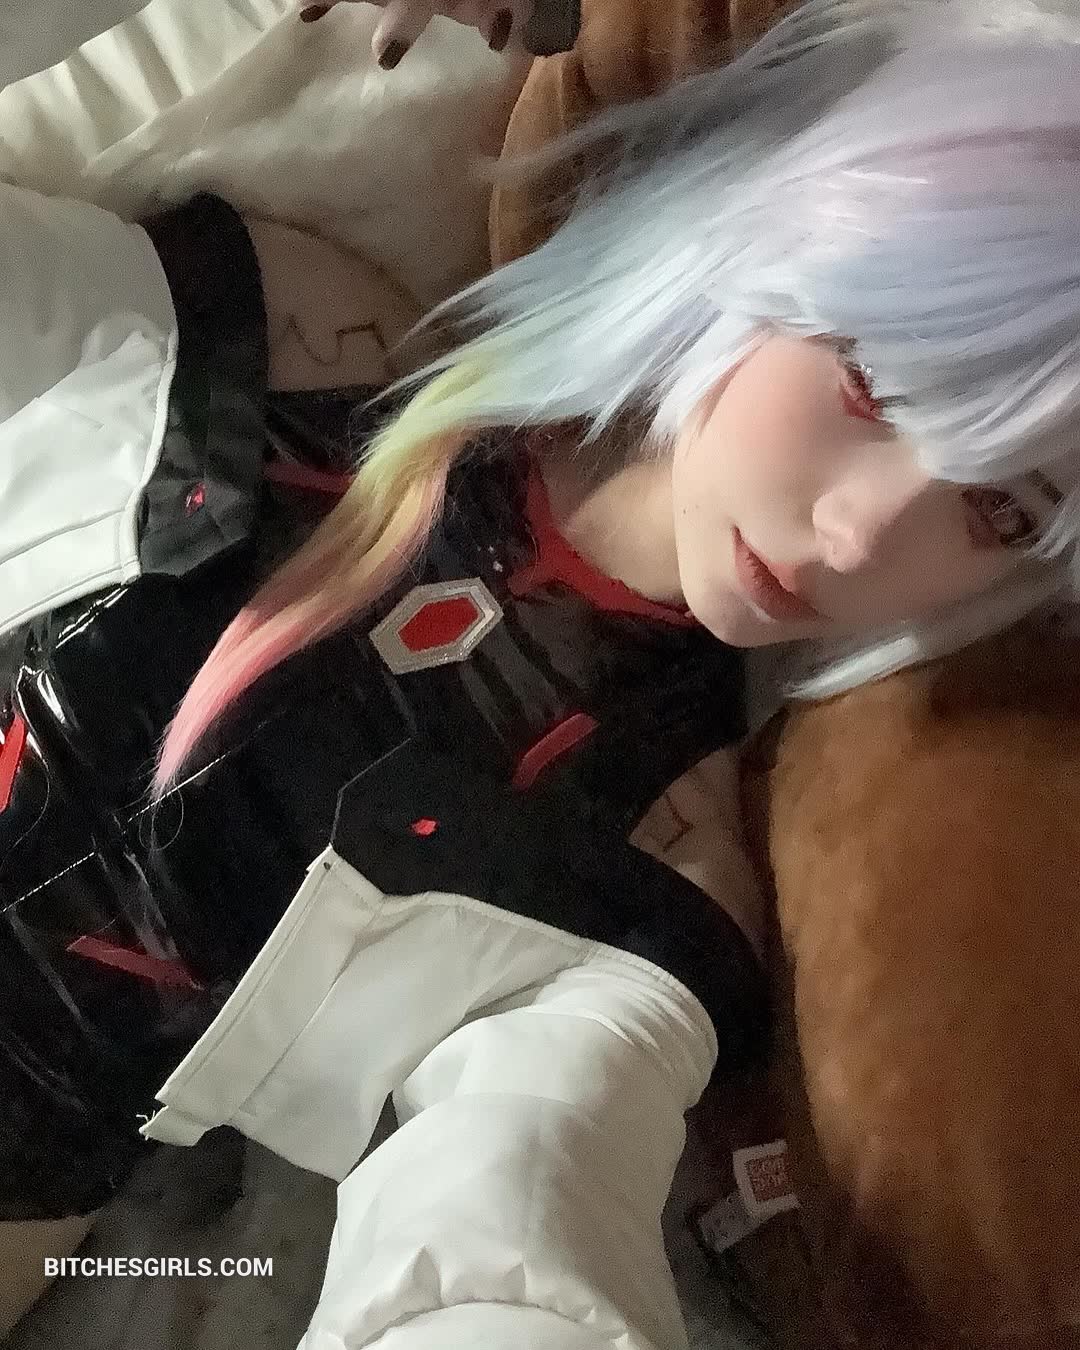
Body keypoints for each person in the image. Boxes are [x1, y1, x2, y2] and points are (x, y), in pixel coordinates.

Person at [2, 0, 1080, 1343]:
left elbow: (508, 1230)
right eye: (873, 378)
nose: (861, 532)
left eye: (1006, 511)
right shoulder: (295, 344)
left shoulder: (667, 856)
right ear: (782, 235)